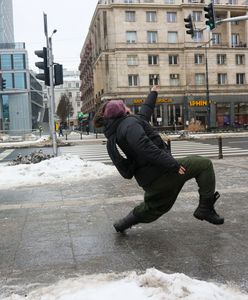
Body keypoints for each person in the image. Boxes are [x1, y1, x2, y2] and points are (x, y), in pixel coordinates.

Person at [93, 86, 224, 233]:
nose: (128, 107)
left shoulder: (122, 126)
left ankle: (122, 224)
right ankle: (205, 208)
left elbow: (144, 114)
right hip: (160, 172)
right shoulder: (129, 125)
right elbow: (144, 146)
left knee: (155, 208)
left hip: (150, 178)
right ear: (123, 110)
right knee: (204, 165)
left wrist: (153, 93)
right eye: (125, 105)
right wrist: (172, 165)